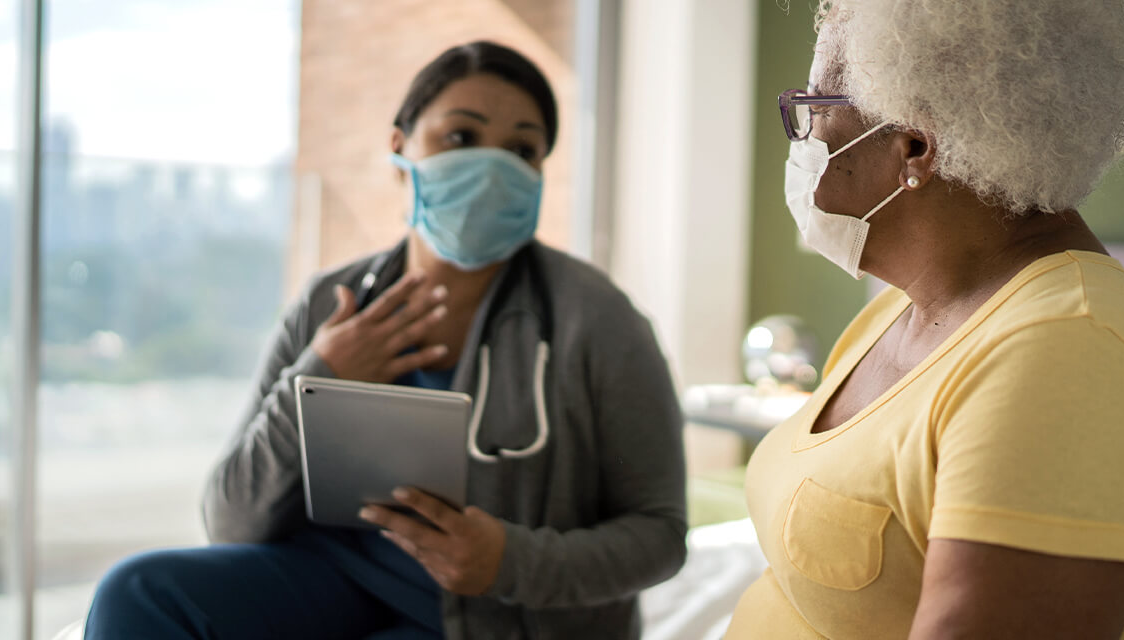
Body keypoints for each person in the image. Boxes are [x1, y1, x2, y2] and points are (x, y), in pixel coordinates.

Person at [84, 41, 687, 640]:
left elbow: (660, 535)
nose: (491, 166)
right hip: (329, 577)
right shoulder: (330, 302)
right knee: (138, 593)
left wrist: (509, 560)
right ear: (400, 147)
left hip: (499, 615)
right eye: (460, 137)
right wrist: (320, 372)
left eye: (522, 150)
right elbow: (231, 519)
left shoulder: (598, 320)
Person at [727, 2, 1124, 639]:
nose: (803, 138)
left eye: (816, 107)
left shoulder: (1069, 358)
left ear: (912, 146)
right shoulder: (902, 311)